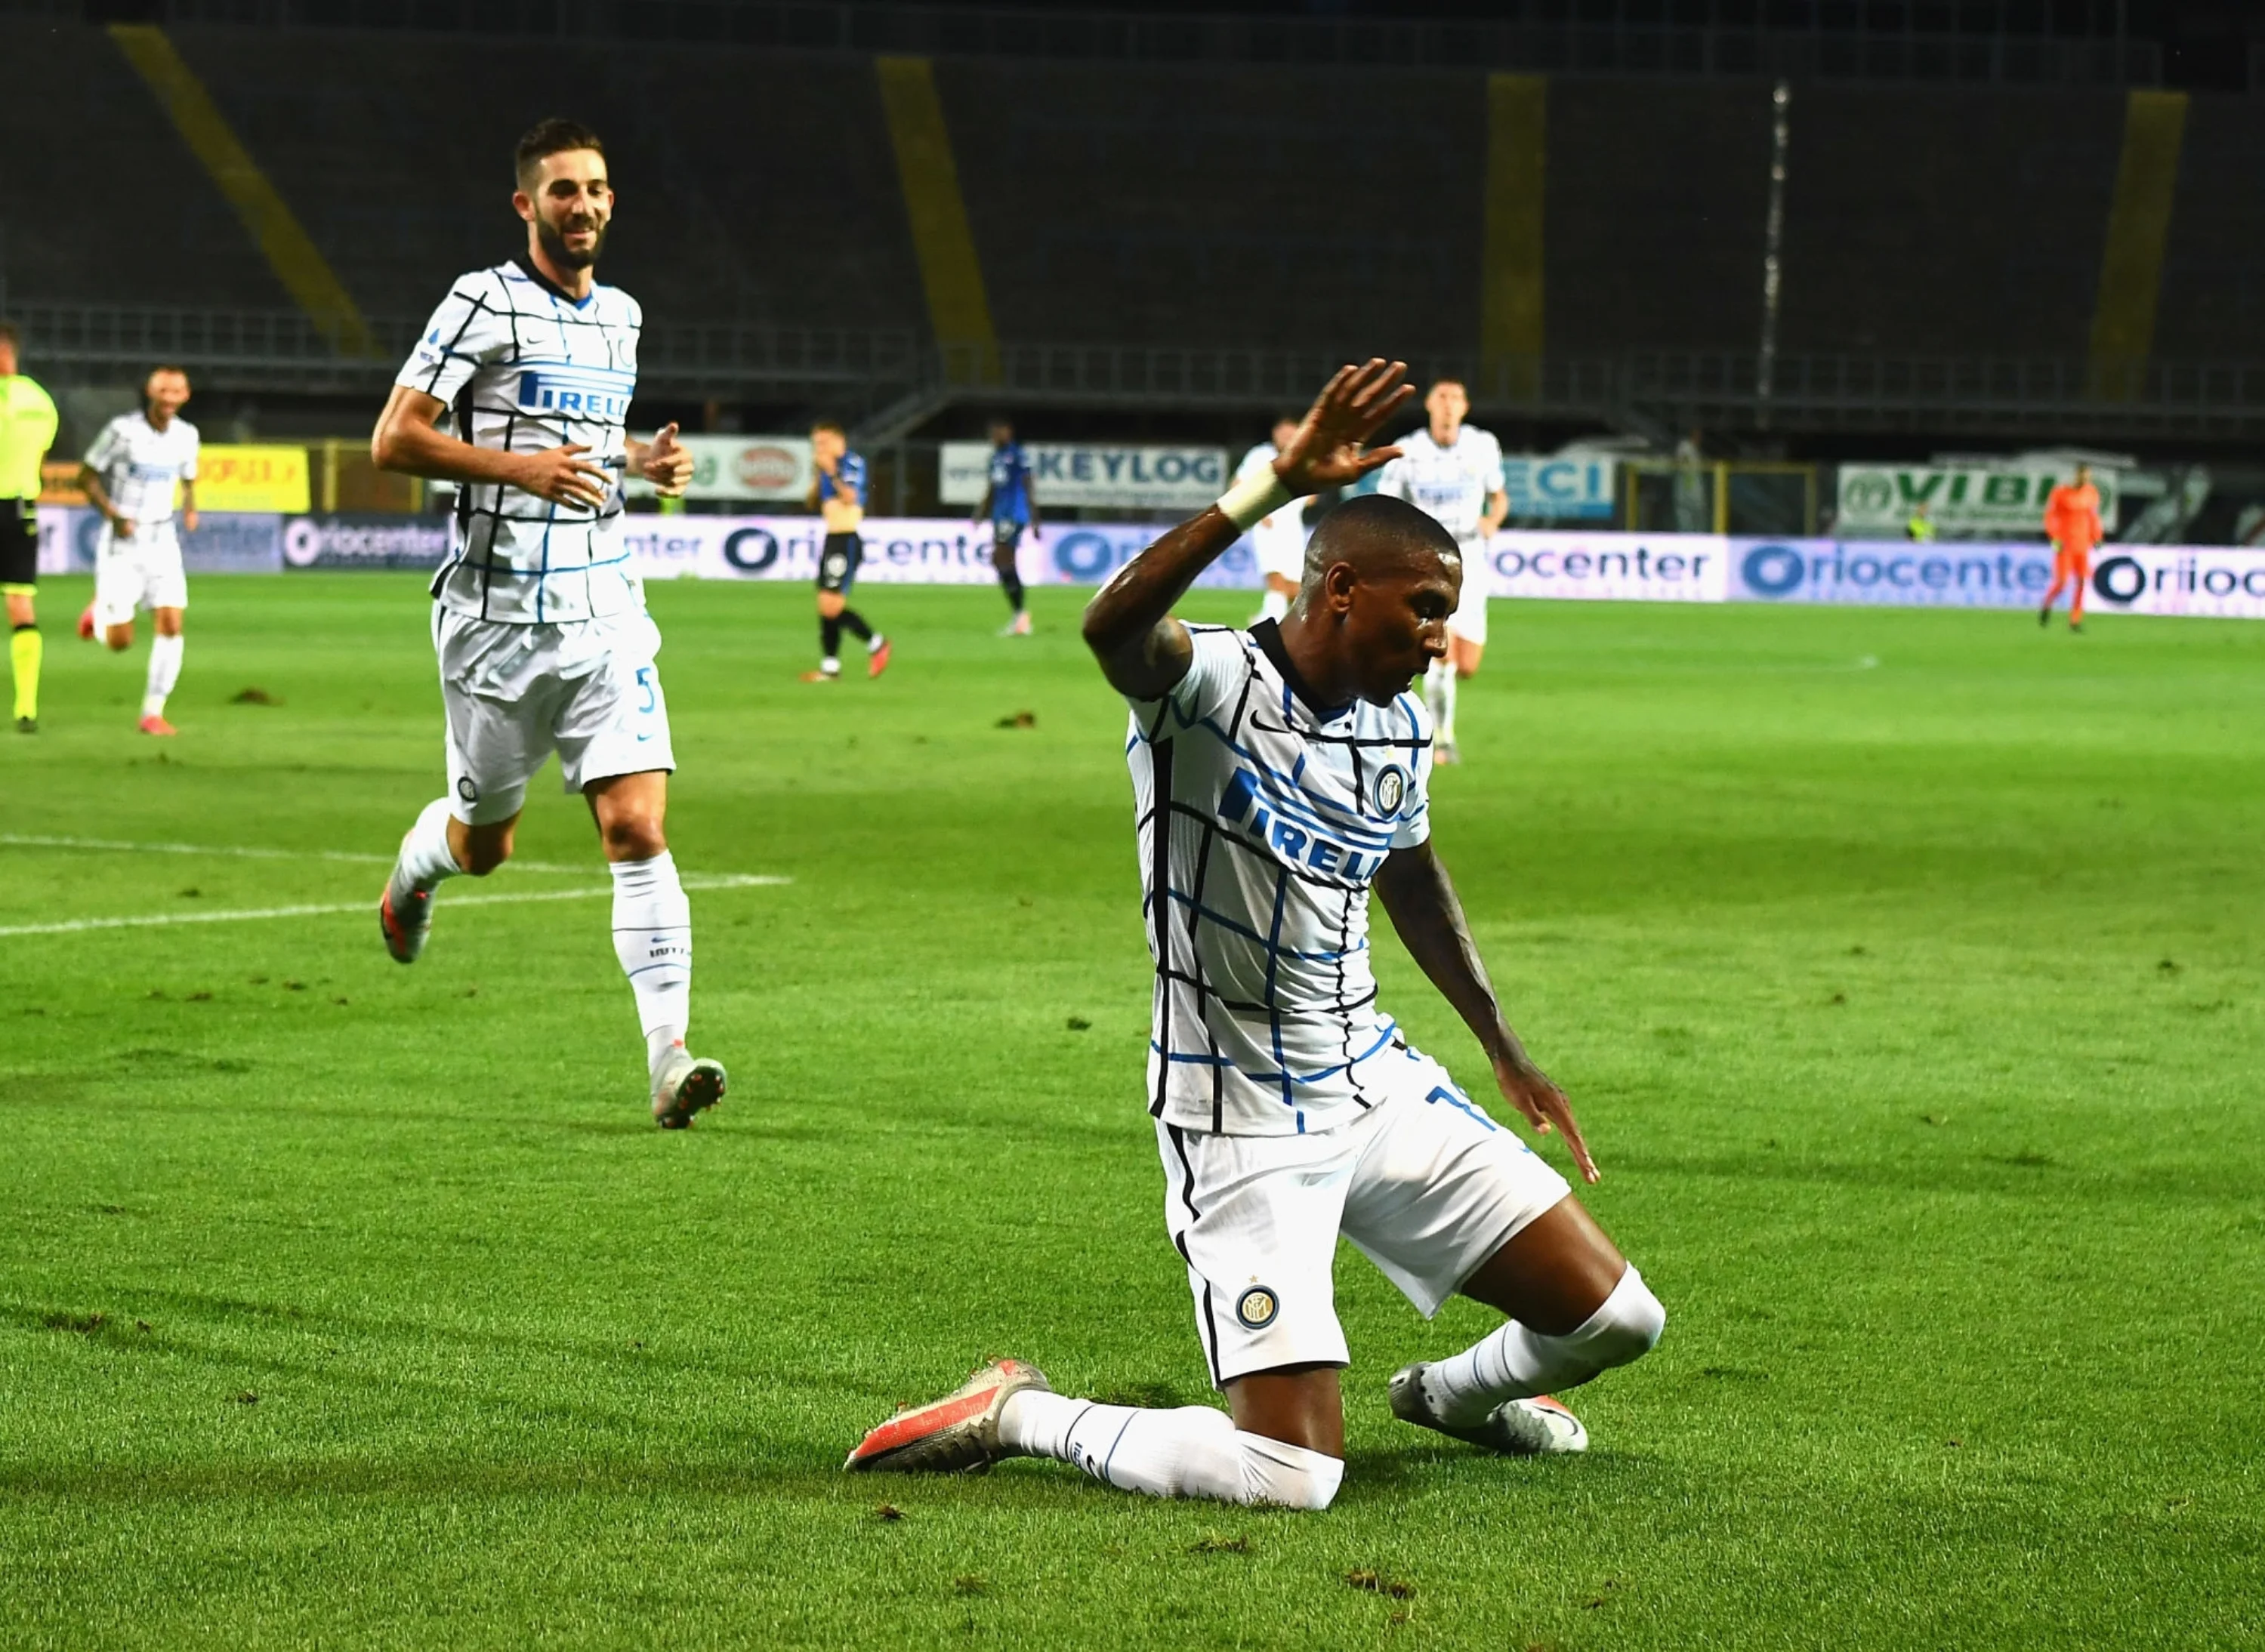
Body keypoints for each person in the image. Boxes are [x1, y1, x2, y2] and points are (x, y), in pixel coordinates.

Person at [844, 361, 1663, 1509]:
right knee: (1291, 1477)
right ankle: (1015, 1411)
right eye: (1424, 607)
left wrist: (1500, 1042)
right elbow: (1110, 626)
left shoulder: (1394, 726)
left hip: (1370, 1078)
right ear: (1341, 590)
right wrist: (1267, 487)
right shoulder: (1209, 684)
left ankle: (1448, 1399)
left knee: (1619, 1318)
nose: (1440, 635)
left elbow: (1412, 873)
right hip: (1234, 1107)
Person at [368, 117, 729, 1129]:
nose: (585, 205)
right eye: (564, 190)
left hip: (606, 612)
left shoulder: (622, 316)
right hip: (493, 624)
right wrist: (517, 470)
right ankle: (415, 873)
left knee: (636, 825)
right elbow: (394, 439)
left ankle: (668, 1058)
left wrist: (639, 460)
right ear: (526, 204)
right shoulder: (480, 300)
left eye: (598, 188)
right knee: (485, 843)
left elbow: (583, 442)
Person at [1373, 379, 1504, 765]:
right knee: (1440, 651)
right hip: (1427, 557)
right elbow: (1386, 505)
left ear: (1465, 407)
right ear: (1429, 405)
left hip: (1471, 555)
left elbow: (1499, 496)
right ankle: (1441, 740)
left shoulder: (1483, 445)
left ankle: (1416, 691)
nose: (1449, 404)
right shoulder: (1408, 450)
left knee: (1467, 665)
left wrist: (1492, 520)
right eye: (1442, 397)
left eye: (1456, 398)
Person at [76, 365, 199, 736]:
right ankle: (99, 613)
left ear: (186, 396)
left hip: (163, 539)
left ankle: (152, 713)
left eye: (176, 392)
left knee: (172, 624)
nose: (169, 398)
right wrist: (113, 515)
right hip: (123, 542)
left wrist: (191, 508)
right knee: (119, 642)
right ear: (150, 392)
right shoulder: (122, 431)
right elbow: (85, 476)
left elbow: (189, 478)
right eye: (163, 391)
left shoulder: (187, 436)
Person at [0, 322, 58, 733]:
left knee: (21, 604)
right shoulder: (41, 400)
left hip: (15, 505)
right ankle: (26, 708)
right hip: (22, 508)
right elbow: (41, 454)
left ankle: (26, 707)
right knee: (20, 603)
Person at [803, 419, 891, 681]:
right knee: (825, 604)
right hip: (832, 539)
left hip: (846, 540)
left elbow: (850, 497)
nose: (818, 448)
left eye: (823, 442)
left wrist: (831, 472)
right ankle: (830, 667)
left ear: (837, 440)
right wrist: (819, 475)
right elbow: (811, 502)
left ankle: (877, 643)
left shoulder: (850, 463)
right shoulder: (826, 468)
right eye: (816, 443)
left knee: (832, 607)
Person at [1235, 415, 1307, 626]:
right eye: (1284, 434)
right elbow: (1238, 484)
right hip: (1268, 526)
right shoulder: (1260, 456)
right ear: (1275, 434)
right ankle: (1269, 625)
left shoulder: (1302, 457)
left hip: (1293, 527)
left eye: (1291, 435)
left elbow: (1312, 494)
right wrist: (1257, 511)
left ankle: (1270, 620)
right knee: (1276, 578)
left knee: (1295, 585)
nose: (1287, 439)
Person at [970, 417, 1039, 636]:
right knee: (1002, 561)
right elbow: (992, 488)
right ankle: (1020, 615)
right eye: (992, 432)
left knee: (1002, 558)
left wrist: (1035, 519)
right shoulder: (995, 458)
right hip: (1000, 515)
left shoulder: (1018, 455)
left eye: (997, 431)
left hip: (1013, 514)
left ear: (1008, 431)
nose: (994, 436)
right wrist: (981, 512)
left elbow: (1029, 486)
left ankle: (1021, 616)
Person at [2040, 464, 2102, 632]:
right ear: (2075, 475)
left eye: (2087, 476)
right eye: (2082, 476)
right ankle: (2047, 603)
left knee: (2082, 581)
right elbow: (2050, 516)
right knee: (2062, 582)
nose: (2085, 479)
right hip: (2065, 544)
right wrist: (2054, 537)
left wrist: (2097, 537)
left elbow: (2093, 517)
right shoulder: (2060, 493)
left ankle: (2075, 620)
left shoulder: (2091, 493)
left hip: (2083, 544)